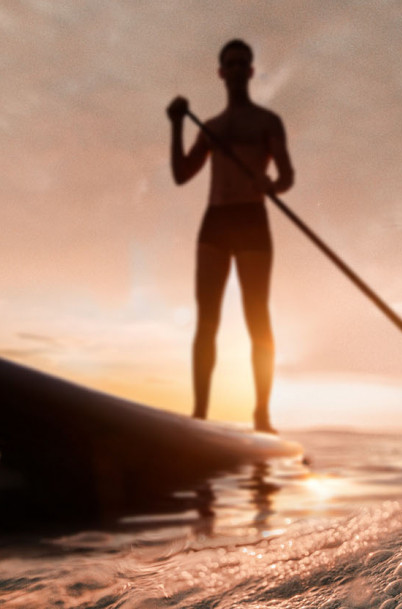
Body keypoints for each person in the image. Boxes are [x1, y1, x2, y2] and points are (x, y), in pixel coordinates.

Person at [166, 39, 295, 433]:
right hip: (216, 222)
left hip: (253, 220)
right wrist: (175, 125)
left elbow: (287, 176)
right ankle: (200, 415)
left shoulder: (268, 122)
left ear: (252, 72)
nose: (237, 69)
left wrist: (271, 184)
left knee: (258, 319)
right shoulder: (212, 127)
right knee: (207, 321)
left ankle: (262, 416)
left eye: (244, 63)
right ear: (220, 73)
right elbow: (181, 175)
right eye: (230, 63)